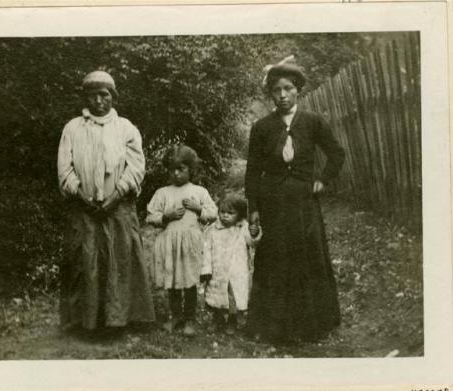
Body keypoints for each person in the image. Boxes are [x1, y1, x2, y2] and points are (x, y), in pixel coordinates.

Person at [244, 60, 345, 344]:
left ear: (298, 90)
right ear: (271, 95)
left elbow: (337, 154)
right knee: (275, 259)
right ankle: (274, 326)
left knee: (306, 258)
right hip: (273, 205)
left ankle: (312, 324)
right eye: (276, 90)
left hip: (304, 206)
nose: (283, 95)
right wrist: (254, 210)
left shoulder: (313, 122)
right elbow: (252, 172)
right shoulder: (262, 128)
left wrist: (322, 179)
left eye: (288, 88)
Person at [57, 70, 155, 335]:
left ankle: (119, 320)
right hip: (84, 208)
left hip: (118, 207)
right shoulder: (73, 128)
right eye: (93, 95)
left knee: (120, 259)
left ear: (113, 97)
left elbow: (136, 167)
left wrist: (115, 196)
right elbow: (65, 168)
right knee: (85, 261)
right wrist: (82, 197)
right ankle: (86, 321)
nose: (99, 101)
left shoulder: (126, 128)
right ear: (85, 98)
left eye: (105, 95)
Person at [146, 145, 217, 337]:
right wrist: (165, 216)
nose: (176, 174)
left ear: (191, 170)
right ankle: (175, 316)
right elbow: (150, 216)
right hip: (171, 245)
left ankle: (189, 319)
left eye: (181, 169)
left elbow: (213, 214)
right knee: (174, 280)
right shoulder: (163, 193)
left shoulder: (199, 192)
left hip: (191, 245)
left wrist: (198, 209)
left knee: (189, 281)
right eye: (172, 170)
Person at [200, 193, 261, 335]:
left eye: (230, 213)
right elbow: (206, 249)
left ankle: (232, 321)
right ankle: (217, 319)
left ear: (239, 214)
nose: (225, 216)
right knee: (216, 295)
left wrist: (254, 233)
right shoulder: (213, 229)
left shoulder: (243, 228)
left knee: (233, 296)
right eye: (222, 212)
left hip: (236, 271)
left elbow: (252, 242)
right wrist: (206, 268)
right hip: (217, 270)